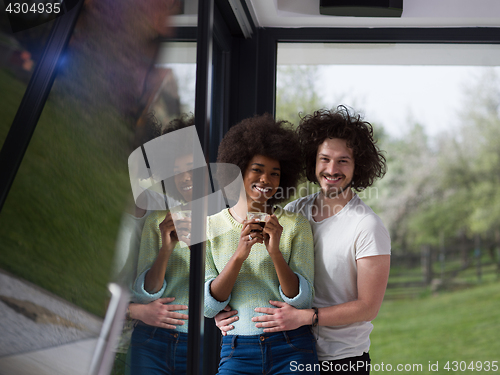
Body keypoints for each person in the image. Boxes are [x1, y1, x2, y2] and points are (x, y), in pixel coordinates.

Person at [216, 106, 391, 375]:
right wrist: (224, 312)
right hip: (290, 351)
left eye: (343, 161)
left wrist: (306, 317)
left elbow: (368, 307)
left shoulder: (366, 226)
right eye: (325, 159)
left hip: (342, 360)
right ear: (313, 161)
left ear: (358, 166)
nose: (332, 169)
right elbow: (259, 272)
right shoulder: (295, 213)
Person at [204, 114, 319, 375]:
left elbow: (302, 301)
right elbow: (209, 306)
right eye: (257, 169)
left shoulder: (295, 225)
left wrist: (275, 252)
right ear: (239, 168)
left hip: (292, 348)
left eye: (274, 173)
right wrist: (239, 255)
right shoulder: (211, 227)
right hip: (237, 350)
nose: (265, 179)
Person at [129, 115, 196, 375]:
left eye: (192, 167)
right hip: (152, 339)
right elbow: (145, 292)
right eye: (178, 171)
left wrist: (193, 246)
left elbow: (223, 290)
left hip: (201, 341)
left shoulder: (224, 219)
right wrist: (166, 248)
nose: (186, 177)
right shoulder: (159, 218)